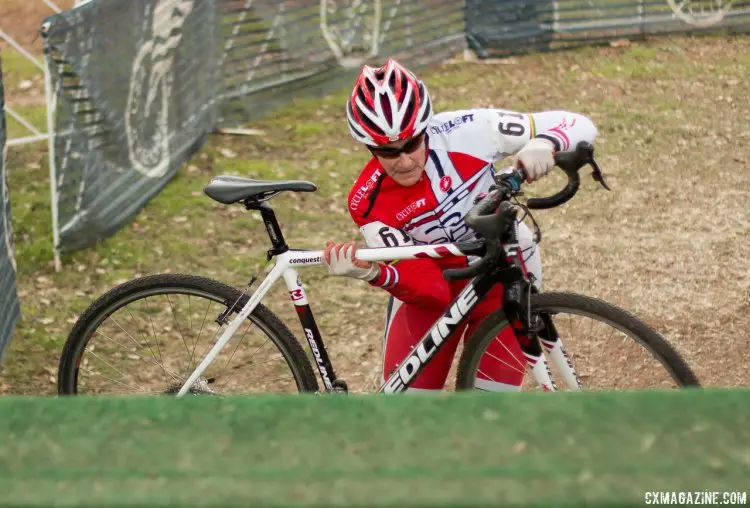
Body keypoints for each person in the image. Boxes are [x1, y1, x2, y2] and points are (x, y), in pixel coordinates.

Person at [323, 58, 598, 393]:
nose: (405, 160)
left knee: (488, 409)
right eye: (387, 152)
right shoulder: (367, 201)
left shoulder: (470, 130)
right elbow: (429, 290)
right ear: (368, 147)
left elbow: (577, 124)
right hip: (431, 287)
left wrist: (547, 142)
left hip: (503, 269)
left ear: (426, 127)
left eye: (412, 143)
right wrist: (374, 273)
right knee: (407, 415)